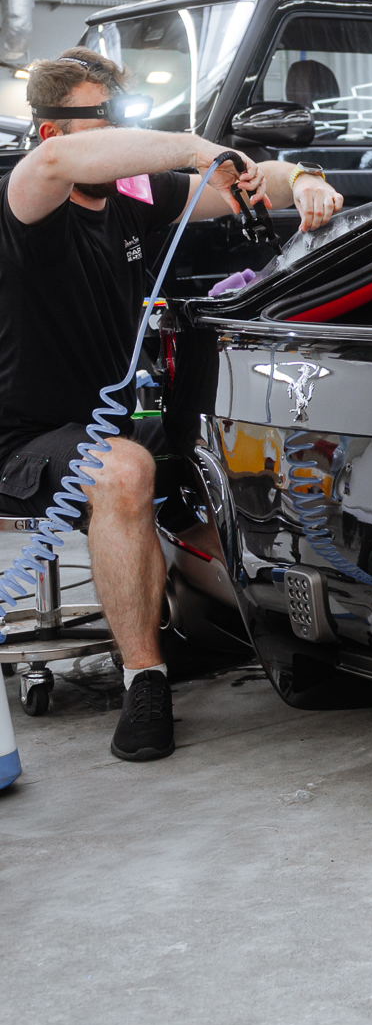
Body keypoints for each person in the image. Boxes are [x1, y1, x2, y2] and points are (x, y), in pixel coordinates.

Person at [0, 48, 344, 762]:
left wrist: (303, 180)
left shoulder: (134, 196)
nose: (114, 137)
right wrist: (194, 145)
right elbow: (54, 170)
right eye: (99, 121)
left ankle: (246, 632)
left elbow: (250, 184)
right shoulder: (29, 197)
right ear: (51, 131)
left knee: (232, 454)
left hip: (118, 422)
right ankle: (143, 678)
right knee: (122, 471)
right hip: (25, 436)